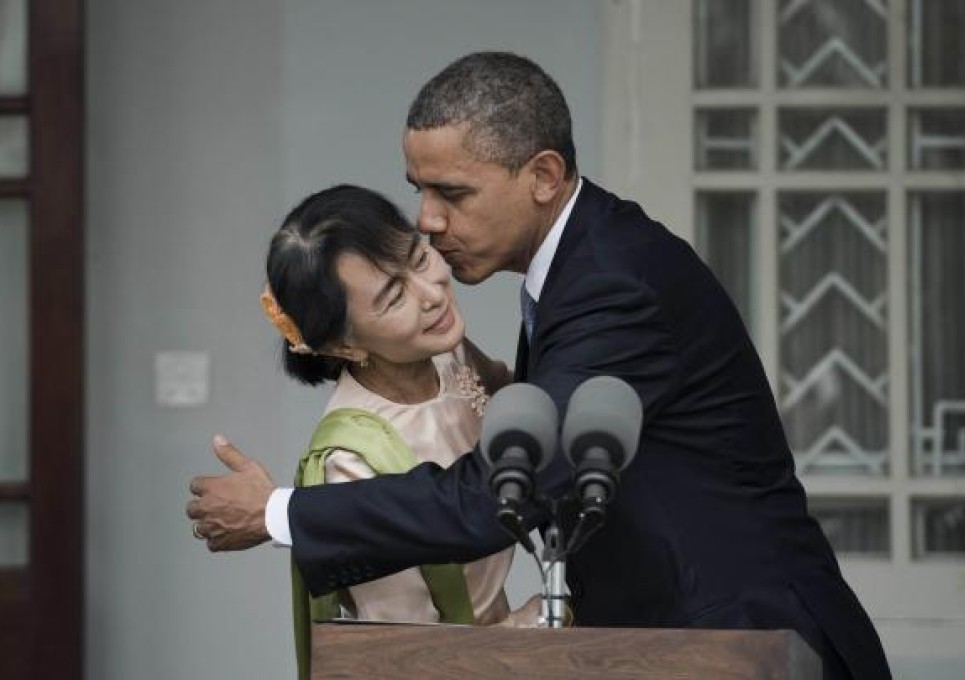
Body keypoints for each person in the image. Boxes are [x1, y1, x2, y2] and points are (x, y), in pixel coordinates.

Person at [188, 52, 891, 678]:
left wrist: (277, 512)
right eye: (419, 190)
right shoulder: (579, 264)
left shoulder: (611, 285)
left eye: (452, 194)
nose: (427, 220)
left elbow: (498, 494)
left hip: (742, 637)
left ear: (543, 176)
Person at [256, 184, 537, 678]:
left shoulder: (447, 353)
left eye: (418, 257)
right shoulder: (349, 462)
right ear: (343, 344)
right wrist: (537, 627)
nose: (432, 294)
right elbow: (407, 659)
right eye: (393, 297)